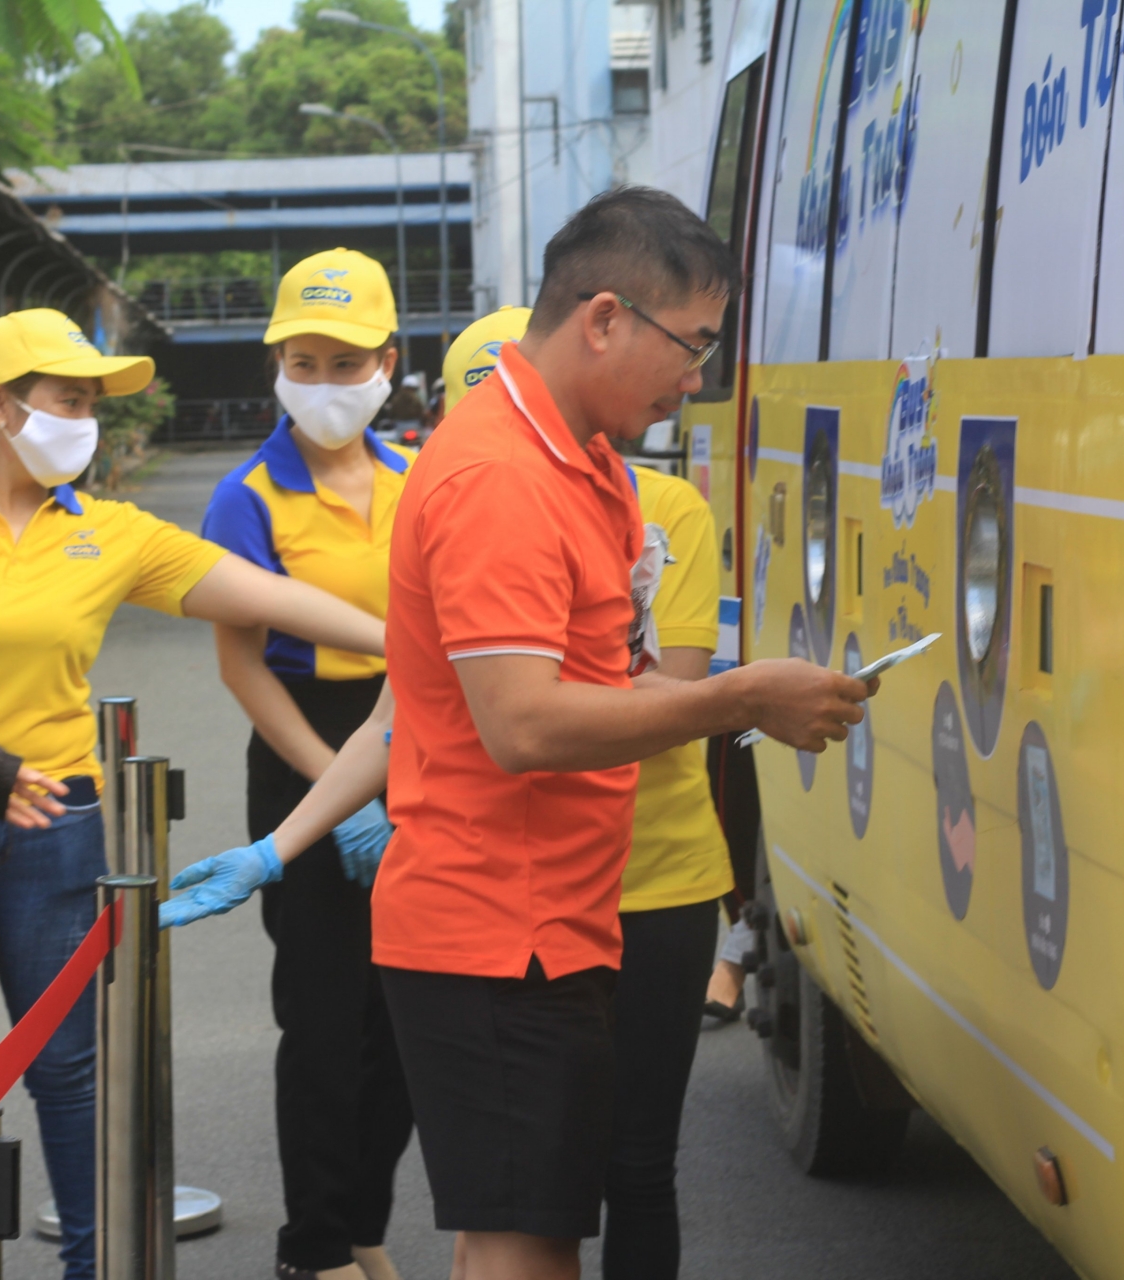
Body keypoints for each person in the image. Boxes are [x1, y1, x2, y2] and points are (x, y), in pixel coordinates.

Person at [160, 187, 873, 1280]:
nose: (697, 377)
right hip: (499, 931)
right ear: (601, 318)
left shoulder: (585, 467)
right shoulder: (501, 476)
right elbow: (522, 722)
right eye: (692, 344)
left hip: (552, 917)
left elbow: (559, 681)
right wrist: (737, 700)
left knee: (519, 1232)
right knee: (524, 1243)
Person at [0, 308, 389, 1280]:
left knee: (70, 1073)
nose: (87, 419)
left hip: (59, 827)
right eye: (71, 399)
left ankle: (95, 1267)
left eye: (94, 403)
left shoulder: (109, 532)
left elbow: (267, 597)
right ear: (2, 406)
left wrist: (417, 642)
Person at [441, 305, 734, 1277]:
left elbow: (675, 698)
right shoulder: (459, 507)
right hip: (513, 893)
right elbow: (443, 707)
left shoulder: (666, 512)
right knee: (516, 1189)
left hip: (657, 881)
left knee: (637, 1162)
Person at [201, 248, 415, 1280]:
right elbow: (242, 668)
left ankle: (365, 1218)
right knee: (326, 1017)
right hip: (304, 746)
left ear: (388, 360)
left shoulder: (422, 480)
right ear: (278, 362)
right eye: (305, 358)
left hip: (417, 743)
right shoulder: (246, 496)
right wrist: (344, 798)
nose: (324, 381)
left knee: (410, 1015)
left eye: (345, 360)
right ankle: (315, 1243)